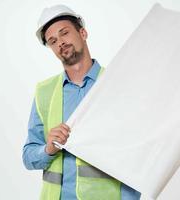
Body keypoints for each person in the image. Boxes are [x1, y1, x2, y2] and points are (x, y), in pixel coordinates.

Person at [22, 4, 141, 200]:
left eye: (65, 33)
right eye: (53, 40)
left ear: (83, 33)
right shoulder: (44, 92)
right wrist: (48, 149)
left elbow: (137, 157)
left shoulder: (118, 84)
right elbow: (28, 157)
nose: (60, 42)